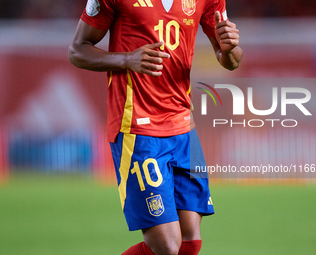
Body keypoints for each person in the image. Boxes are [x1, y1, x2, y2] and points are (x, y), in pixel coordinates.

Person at [68, 0, 243, 254]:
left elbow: (231, 60)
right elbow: (77, 50)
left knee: (190, 243)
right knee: (167, 246)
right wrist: (127, 59)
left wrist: (230, 49)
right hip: (138, 127)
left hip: (185, 126)